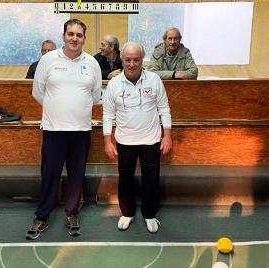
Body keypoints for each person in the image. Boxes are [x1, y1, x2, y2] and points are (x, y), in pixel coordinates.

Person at [26, 19, 102, 240]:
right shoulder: (48, 60)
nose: (74, 39)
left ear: (84, 39)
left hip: (81, 131)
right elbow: (37, 92)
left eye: (79, 35)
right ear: (63, 35)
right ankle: (42, 216)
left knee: (76, 176)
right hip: (53, 129)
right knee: (49, 175)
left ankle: (72, 213)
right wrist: (57, 108)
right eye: (71, 34)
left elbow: (96, 96)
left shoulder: (92, 64)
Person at [103, 42, 172, 233]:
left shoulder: (154, 80)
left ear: (142, 60)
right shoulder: (114, 84)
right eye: (128, 60)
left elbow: (164, 108)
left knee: (151, 178)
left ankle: (150, 214)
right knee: (125, 178)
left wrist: (167, 136)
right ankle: (127, 213)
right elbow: (107, 114)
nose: (132, 64)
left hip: (151, 140)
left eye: (136, 60)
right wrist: (107, 141)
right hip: (125, 140)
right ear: (122, 60)